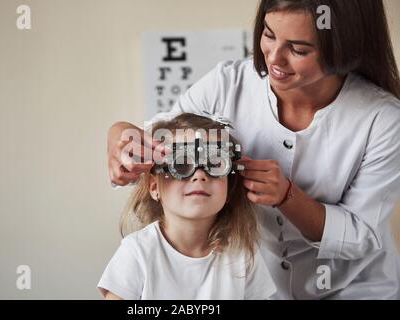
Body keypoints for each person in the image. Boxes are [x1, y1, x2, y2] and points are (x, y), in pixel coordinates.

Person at [107, 0, 400, 299]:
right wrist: (120, 135)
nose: (274, 58)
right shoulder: (228, 84)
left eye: (298, 50)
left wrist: (288, 197)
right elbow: (162, 133)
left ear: (344, 46)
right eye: (269, 35)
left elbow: (359, 237)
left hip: (357, 288)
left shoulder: (383, 119)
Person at [99, 113, 277, 299]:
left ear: (229, 188)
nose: (199, 176)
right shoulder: (137, 252)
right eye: (181, 164)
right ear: (154, 187)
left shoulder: (242, 255)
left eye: (215, 164)